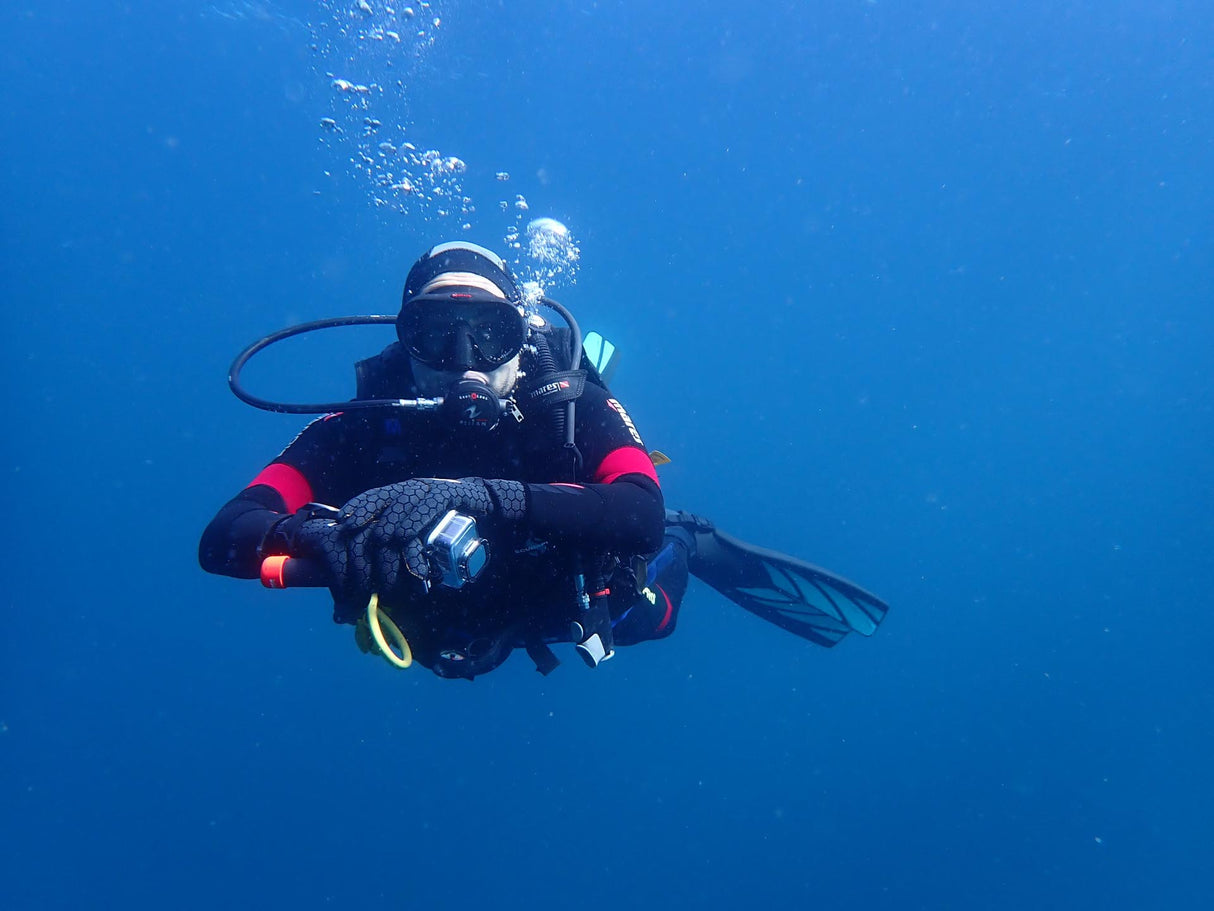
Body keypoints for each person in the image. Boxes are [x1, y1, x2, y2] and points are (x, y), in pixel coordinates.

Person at [200, 241, 889, 679]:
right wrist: (310, 533)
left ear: (521, 334)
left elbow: (639, 513)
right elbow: (225, 534)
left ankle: (698, 545)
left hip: (562, 594)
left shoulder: (566, 400)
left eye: (490, 334)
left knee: (645, 618)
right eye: (436, 337)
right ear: (404, 345)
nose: (463, 363)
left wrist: (478, 494)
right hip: (438, 621)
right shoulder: (366, 423)